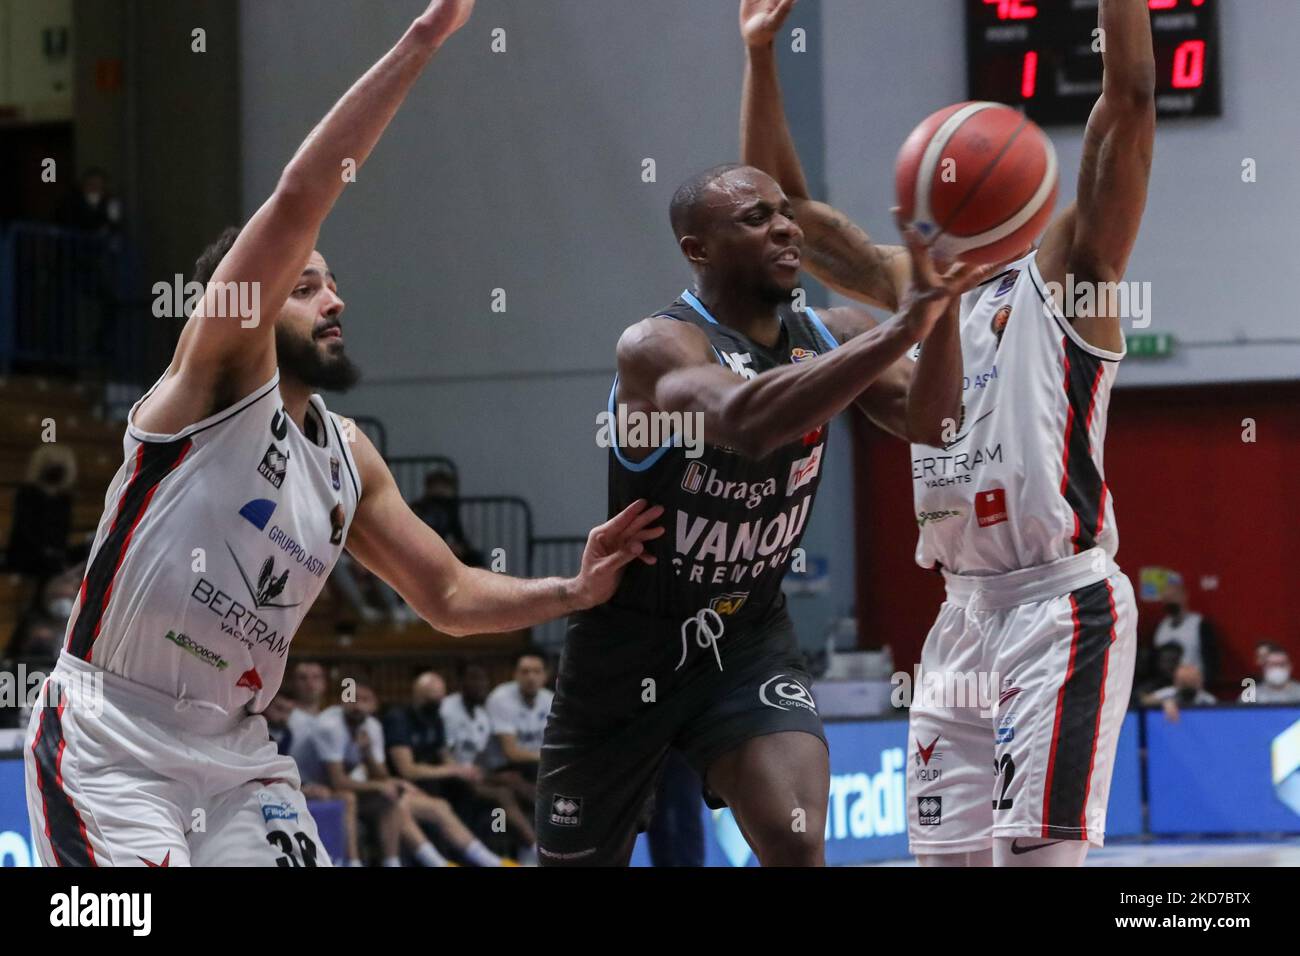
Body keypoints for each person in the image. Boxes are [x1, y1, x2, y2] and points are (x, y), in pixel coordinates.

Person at [23, 0, 662, 868]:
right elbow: (301, 195)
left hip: (239, 758)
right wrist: (423, 40)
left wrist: (570, 592)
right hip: (112, 741)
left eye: (333, 285)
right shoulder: (208, 384)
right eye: (308, 286)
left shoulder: (347, 455)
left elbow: (447, 594)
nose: (335, 300)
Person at [739, 0, 1155, 867]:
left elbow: (1132, 99)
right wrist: (762, 55)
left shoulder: (1074, 279)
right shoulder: (915, 288)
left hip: (1059, 604)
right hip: (961, 614)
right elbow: (789, 212)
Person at [534, 108, 990, 867]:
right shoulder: (656, 346)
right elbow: (747, 422)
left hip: (745, 637)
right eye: (757, 218)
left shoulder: (832, 331)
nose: (786, 229)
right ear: (698, 248)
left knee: (795, 838)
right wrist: (900, 328)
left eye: (786, 213)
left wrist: (937, 317)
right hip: (628, 644)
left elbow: (936, 424)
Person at [386, 670, 539, 863]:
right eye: (430, 698)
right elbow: (408, 769)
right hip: (421, 784)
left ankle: (525, 851)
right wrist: (457, 770)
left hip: (454, 776)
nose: (436, 703)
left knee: (516, 788)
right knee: (498, 794)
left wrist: (467, 771)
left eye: (438, 697)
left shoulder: (440, 717)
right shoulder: (403, 718)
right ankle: (526, 851)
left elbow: (445, 756)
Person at [1151, 576, 1220, 688]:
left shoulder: (1199, 625)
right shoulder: (1160, 628)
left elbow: (1212, 662)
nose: (1170, 601)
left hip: (1195, 687)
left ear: (1184, 596)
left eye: (1173, 597)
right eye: (1166, 598)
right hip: (1166, 687)